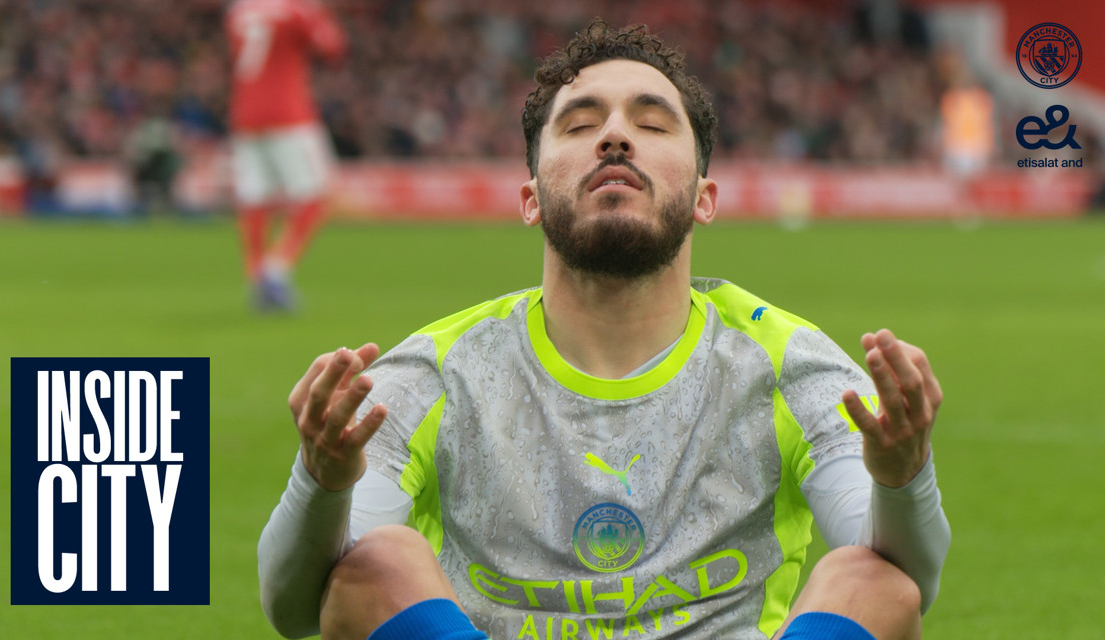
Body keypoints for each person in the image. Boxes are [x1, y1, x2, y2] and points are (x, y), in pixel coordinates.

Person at [258, 19, 950, 640]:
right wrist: (320, 481)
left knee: (872, 580)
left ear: (705, 198)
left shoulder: (789, 367)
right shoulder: (437, 374)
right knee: (373, 565)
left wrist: (901, 480)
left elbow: (906, 586)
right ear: (530, 199)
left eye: (651, 125)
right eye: (580, 124)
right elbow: (297, 610)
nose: (616, 135)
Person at [225, 0, 346, 311]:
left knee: (255, 198)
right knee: (317, 193)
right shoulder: (297, 11)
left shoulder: (240, 10)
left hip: (245, 113)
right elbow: (332, 48)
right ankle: (275, 272)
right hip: (288, 114)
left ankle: (255, 277)